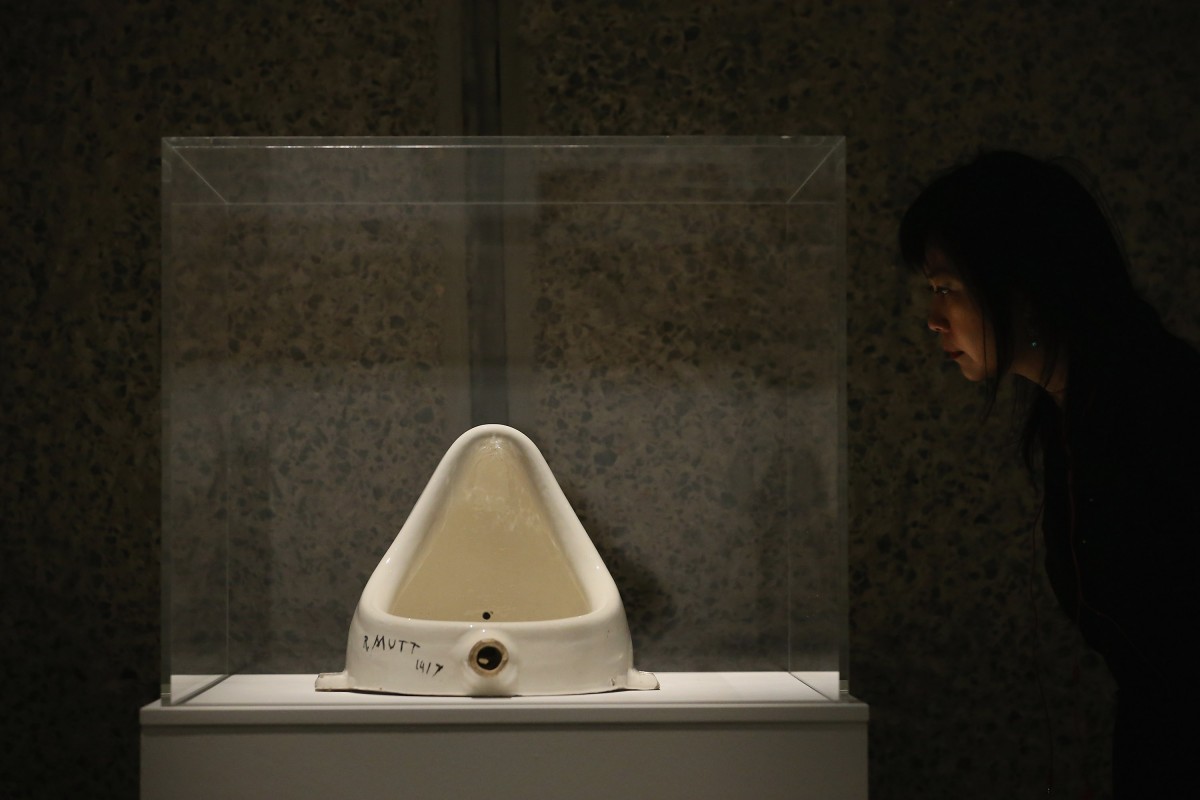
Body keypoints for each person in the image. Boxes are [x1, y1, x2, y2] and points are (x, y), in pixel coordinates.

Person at [899, 150, 1199, 797]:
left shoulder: (1162, 411)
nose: (933, 318)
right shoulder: (1078, 412)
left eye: (947, 288)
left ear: (1021, 283)